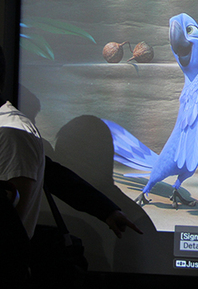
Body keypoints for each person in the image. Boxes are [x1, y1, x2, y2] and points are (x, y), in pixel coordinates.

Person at [0, 44, 142, 242]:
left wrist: (106, 209)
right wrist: (105, 209)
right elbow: (56, 176)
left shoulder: (12, 133)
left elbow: (13, 227)